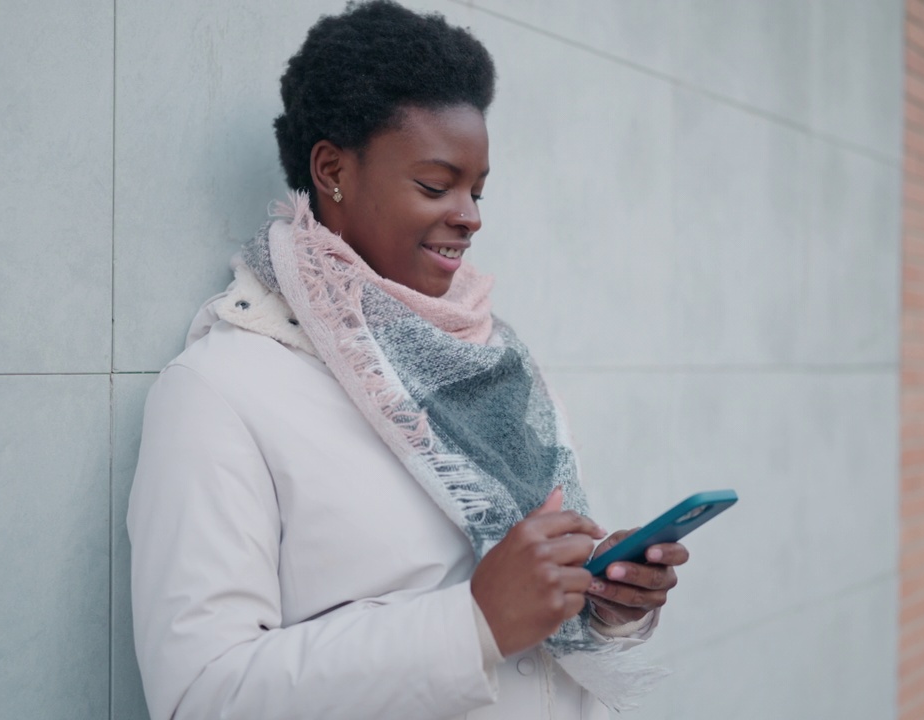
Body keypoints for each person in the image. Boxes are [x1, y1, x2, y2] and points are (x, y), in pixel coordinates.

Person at [126, 2, 689, 718]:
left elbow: (538, 635)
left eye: (477, 190)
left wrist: (602, 601)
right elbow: (201, 696)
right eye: (435, 185)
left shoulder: (496, 365)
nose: (471, 215)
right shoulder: (221, 392)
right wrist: (474, 623)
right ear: (331, 170)